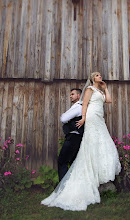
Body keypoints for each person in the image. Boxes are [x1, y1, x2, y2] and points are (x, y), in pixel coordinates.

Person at [41, 72, 121, 211]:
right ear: (91, 79)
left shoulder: (100, 90)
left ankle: (100, 175)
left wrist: (106, 88)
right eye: (96, 75)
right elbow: (84, 104)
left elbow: (108, 100)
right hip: (91, 117)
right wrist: (83, 117)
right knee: (92, 142)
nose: (99, 76)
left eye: (100, 75)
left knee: (102, 141)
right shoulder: (89, 89)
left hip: (99, 118)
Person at [58, 88, 84, 181]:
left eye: (72, 94)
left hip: (73, 138)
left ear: (79, 96)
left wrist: (65, 116)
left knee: (62, 161)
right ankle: (72, 185)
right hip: (76, 137)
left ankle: (63, 187)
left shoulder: (78, 107)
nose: (70, 96)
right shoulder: (79, 107)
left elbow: (63, 118)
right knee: (73, 162)